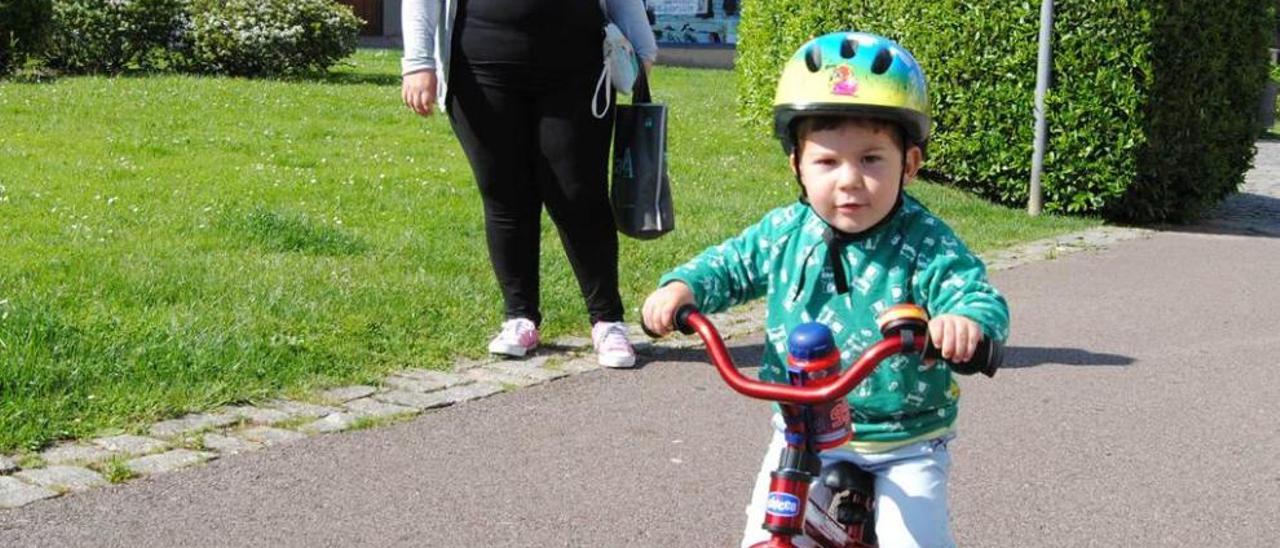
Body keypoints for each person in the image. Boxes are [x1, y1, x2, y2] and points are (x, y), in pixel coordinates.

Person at [640, 32, 1010, 547]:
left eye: (871, 160)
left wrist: (964, 325)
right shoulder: (785, 233)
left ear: (910, 164)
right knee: (765, 533)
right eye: (827, 162)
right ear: (796, 165)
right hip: (803, 427)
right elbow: (731, 264)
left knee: (915, 540)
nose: (849, 181)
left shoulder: (926, 243)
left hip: (904, 438)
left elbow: (970, 291)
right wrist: (684, 287)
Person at [400, 0, 658, 367]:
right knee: (505, 196)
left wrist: (642, 45)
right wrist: (419, 62)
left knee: (579, 195)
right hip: (481, 63)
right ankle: (519, 316)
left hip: (577, 66)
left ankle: (608, 320)